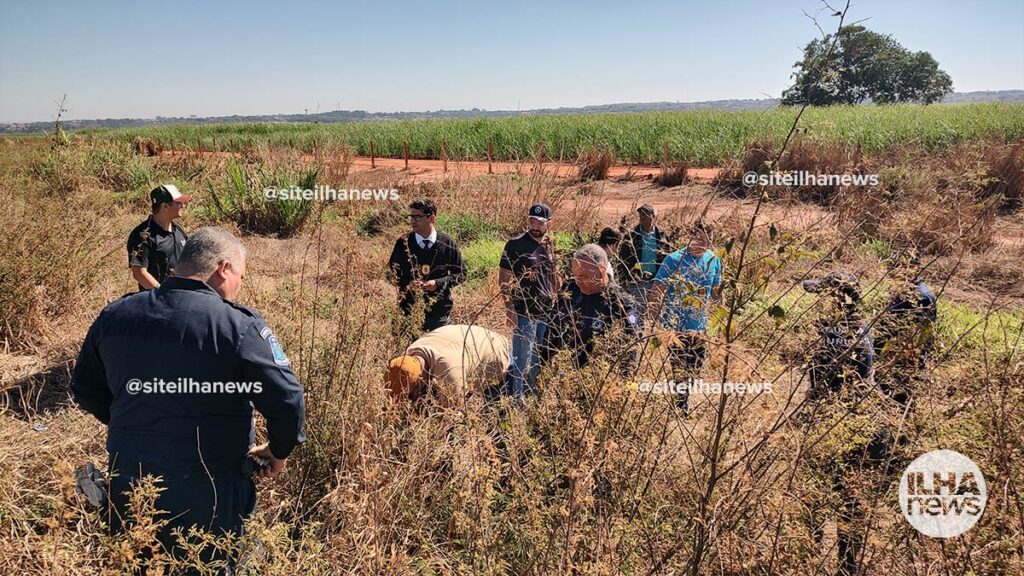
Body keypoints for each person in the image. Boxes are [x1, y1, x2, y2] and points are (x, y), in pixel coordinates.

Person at [71, 227, 306, 567]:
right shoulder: (237, 326)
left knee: (139, 562)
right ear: (223, 268)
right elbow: (286, 399)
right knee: (209, 564)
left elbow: (84, 388)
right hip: (211, 489)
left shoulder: (116, 315)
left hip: (131, 481)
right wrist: (279, 451)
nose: (238, 285)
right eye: (240, 275)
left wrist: (131, 420)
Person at [799, 270, 883, 576]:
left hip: (845, 427)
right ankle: (813, 558)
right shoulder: (839, 326)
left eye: (824, 295)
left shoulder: (852, 331)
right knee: (822, 495)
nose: (819, 301)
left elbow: (859, 376)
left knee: (843, 498)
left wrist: (821, 393)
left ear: (838, 298)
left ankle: (845, 566)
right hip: (832, 421)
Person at [646, 220, 722, 415]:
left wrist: (722, 318)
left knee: (695, 366)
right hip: (676, 326)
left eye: (709, 240)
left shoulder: (713, 260)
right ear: (692, 236)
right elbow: (657, 289)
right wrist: (652, 320)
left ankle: (683, 398)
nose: (705, 244)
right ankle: (681, 406)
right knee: (679, 367)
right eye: (701, 239)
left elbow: (716, 291)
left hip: (700, 326)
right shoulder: (674, 260)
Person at [540, 244, 638, 372]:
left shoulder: (621, 304)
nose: (578, 281)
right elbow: (552, 329)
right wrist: (542, 365)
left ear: (602, 270)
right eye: (575, 276)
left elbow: (630, 348)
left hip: (598, 378)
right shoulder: (569, 289)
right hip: (562, 374)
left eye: (583, 276)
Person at [499, 203, 560, 402]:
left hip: (547, 311)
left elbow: (553, 274)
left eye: (540, 223)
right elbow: (504, 279)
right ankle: (517, 397)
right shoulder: (515, 245)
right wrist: (509, 309)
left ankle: (531, 390)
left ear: (549, 224)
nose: (535, 226)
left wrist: (559, 296)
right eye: (532, 221)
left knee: (539, 355)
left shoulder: (549, 243)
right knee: (521, 356)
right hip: (525, 311)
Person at [387, 198, 466, 333]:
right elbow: (390, 273)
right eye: (411, 217)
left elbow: (461, 274)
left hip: (439, 314)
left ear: (431, 218)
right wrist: (408, 284)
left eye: (417, 217)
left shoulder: (447, 243)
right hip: (408, 311)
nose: (413, 221)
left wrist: (437, 283)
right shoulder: (403, 243)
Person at [386, 324, 511, 406]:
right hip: (468, 340)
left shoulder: (450, 372)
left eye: (410, 392)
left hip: (495, 349)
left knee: (490, 403)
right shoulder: (411, 352)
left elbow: (454, 413)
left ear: (420, 379)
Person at [874, 250, 938, 405]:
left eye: (895, 268)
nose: (891, 272)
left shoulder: (922, 297)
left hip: (902, 359)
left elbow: (924, 334)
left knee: (897, 402)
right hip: (890, 358)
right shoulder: (901, 289)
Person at [127, 184, 191, 291]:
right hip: (157, 302)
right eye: (178, 203)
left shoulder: (179, 230)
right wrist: (162, 294)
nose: (183, 206)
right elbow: (139, 273)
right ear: (165, 206)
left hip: (182, 296)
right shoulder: (142, 235)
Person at [617, 204, 672, 326]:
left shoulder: (662, 235)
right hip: (637, 280)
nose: (643, 216)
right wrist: (624, 280)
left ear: (653, 216)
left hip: (656, 280)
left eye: (646, 213)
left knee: (656, 311)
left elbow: (668, 257)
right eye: (641, 214)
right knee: (636, 310)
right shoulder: (631, 236)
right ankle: (635, 334)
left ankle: (652, 335)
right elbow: (623, 260)